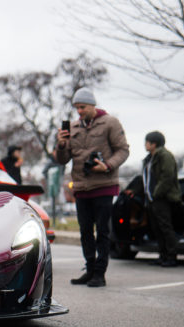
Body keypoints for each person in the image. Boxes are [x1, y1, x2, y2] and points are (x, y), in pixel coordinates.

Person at [54, 87, 130, 288]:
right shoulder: (72, 127)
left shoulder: (110, 123)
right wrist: (61, 145)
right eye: (77, 108)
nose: (79, 111)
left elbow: (123, 150)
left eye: (83, 107)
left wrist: (108, 165)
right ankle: (89, 269)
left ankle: (100, 273)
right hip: (81, 187)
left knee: (102, 231)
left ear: (93, 105)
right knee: (85, 231)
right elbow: (62, 160)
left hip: (104, 185)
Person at [126, 131, 181, 267]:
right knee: (156, 229)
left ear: (153, 143)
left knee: (165, 227)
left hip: (162, 198)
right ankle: (162, 256)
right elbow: (146, 179)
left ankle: (171, 257)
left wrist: (156, 194)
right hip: (151, 200)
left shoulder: (164, 156)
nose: (145, 144)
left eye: (147, 142)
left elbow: (167, 177)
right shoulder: (149, 159)